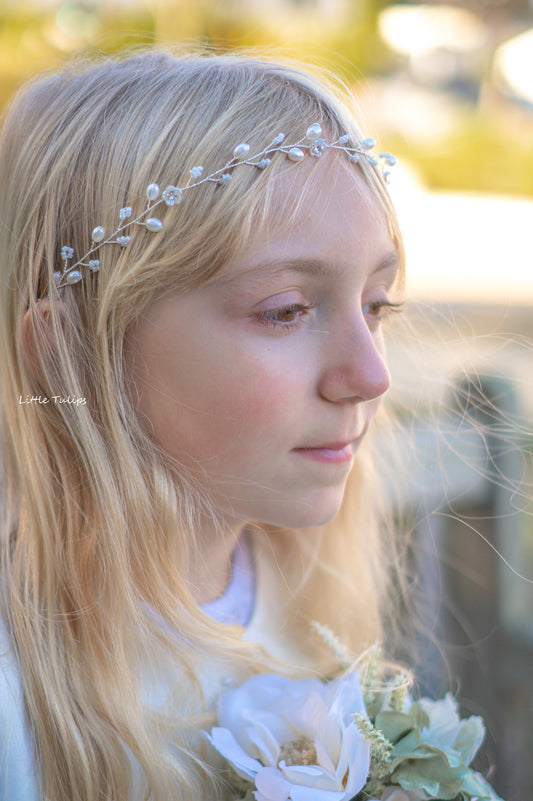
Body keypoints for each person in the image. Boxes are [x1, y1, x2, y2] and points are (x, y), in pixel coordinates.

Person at [0, 50, 405, 800]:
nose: (371, 374)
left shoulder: (306, 596)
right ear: (67, 357)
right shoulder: (17, 703)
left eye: (376, 305)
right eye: (285, 310)